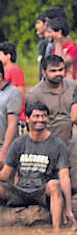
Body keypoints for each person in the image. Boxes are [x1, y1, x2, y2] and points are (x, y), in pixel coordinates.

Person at [0, 100, 74, 233]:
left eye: (44, 116)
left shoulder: (57, 145)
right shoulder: (19, 143)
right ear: (27, 119)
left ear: (48, 119)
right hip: (20, 190)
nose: (40, 120)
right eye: (36, 116)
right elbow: (5, 174)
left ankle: (56, 232)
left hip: (42, 191)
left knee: (55, 184)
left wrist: (68, 208)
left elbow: (64, 178)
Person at [26, 53, 77, 193]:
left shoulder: (72, 86)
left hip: (70, 141)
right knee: (49, 185)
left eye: (60, 70)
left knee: (73, 184)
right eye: (53, 71)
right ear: (44, 72)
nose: (58, 74)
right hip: (47, 145)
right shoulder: (35, 94)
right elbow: (31, 127)